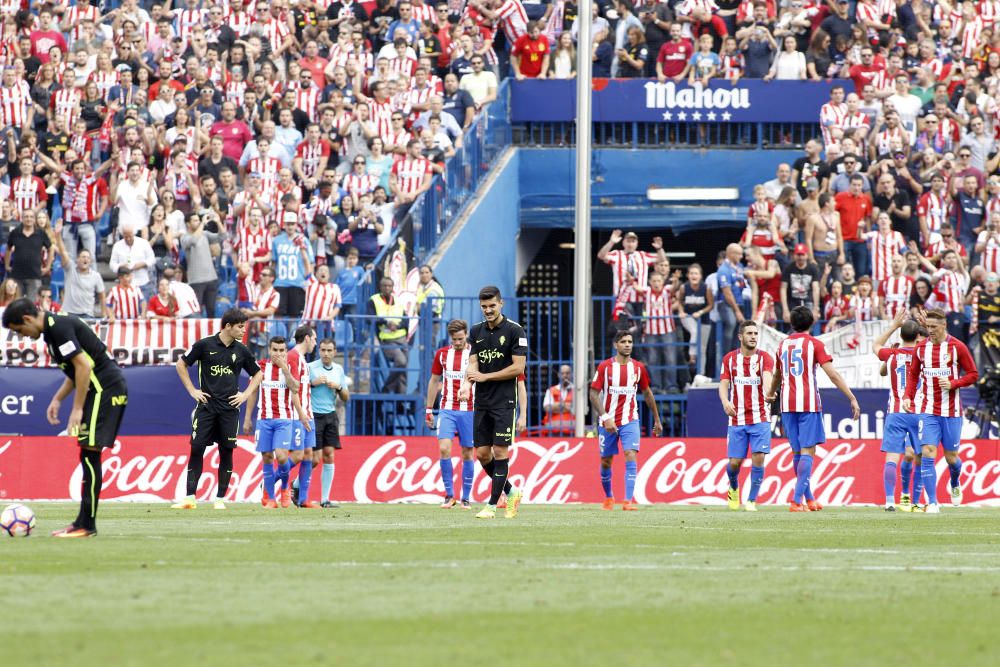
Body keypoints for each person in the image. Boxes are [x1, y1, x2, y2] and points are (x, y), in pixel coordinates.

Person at [3, 299, 128, 537]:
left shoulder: (58, 327)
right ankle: (82, 522)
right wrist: (58, 399)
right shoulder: (52, 331)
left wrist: (77, 408)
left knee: (91, 452)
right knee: (87, 452)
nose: (23, 337)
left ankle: (87, 525)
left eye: (20, 331)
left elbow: (84, 367)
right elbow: (75, 371)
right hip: (101, 388)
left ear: (28, 320)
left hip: (105, 388)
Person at [766, 306, 860, 512]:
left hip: (787, 405)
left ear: (792, 324)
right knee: (809, 451)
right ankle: (796, 500)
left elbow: (777, 375)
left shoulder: (782, 345)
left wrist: (770, 393)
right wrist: (851, 397)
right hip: (808, 403)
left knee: (797, 452)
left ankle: (809, 499)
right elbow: (833, 375)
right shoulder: (815, 344)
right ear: (812, 323)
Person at [172, 309, 263, 510]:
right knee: (197, 448)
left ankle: (220, 499)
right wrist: (192, 390)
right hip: (206, 407)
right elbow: (181, 364)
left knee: (226, 452)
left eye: (244, 326)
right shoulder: (205, 345)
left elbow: (258, 374)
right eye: (240, 326)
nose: (243, 330)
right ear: (228, 326)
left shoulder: (242, 350)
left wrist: (245, 395)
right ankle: (189, 498)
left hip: (230, 410)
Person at [902, 309, 979, 512]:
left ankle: (955, 482)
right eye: (928, 327)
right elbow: (913, 375)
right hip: (928, 410)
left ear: (944, 326)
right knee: (927, 452)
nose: (930, 331)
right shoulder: (921, 349)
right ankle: (933, 502)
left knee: (951, 458)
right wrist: (907, 396)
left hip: (952, 411)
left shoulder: (957, 347)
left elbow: (973, 374)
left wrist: (954, 383)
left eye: (934, 327)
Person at [460, 285, 526, 519]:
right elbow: (473, 363)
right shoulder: (476, 331)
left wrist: (485, 377)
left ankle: (491, 505)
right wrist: (468, 384)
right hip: (482, 401)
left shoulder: (515, 331)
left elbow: (518, 368)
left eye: (492, 305)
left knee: (499, 451)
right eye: (484, 307)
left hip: (504, 401)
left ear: (501, 304)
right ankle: (512, 491)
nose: (488, 310)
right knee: (482, 454)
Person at [590, 329, 663, 511]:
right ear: (616, 345)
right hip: (607, 422)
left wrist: (657, 419)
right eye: (623, 342)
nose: (628, 345)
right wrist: (605, 417)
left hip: (630, 420)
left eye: (630, 341)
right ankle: (608, 497)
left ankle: (628, 501)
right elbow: (593, 394)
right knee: (606, 461)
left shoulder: (638, 368)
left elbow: (647, 393)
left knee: (631, 454)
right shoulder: (604, 367)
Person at [243, 336, 309, 508]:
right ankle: (270, 498)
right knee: (266, 457)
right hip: (264, 418)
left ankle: (285, 489)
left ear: (286, 351)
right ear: (269, 350)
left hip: (284, 419)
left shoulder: (291, 366)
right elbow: (253, 392)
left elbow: (295, 388)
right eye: (275, 350)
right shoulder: (260, 366)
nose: (278, 354)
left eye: (281, 350)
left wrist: (285, 369)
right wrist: (247, 418)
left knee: (281, 457)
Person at [719, 319, 774, 512]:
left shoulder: (765, 358)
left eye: (755, 334)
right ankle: (733, 486)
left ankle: (751, 500)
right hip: (737, 418)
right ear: (740, 337)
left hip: (760, 417)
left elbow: (767, 377)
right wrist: (726, 402)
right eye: (749, 333)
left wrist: (769, 392)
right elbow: (724, 384)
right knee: (735, 463)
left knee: (758, 457)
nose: (753, 337)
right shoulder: (729, 359)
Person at [873, 309, 924, 512]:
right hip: (919, 411)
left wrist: (893, 325)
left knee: (892, 458)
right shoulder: (924, 353)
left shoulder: (892, 354)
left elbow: (875, 346)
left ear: (901, 335)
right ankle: (917, 501)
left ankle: (889, 501)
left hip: (895, 412)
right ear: (918, 335)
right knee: (921, 457)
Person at [425, 319, 477, 509]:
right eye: (454, 339)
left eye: (460, 339)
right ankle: (449, 495)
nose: (457, 342)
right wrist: (429, 409)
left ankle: (466, 498)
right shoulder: (442, 354)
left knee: (467, 453)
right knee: (445, 449)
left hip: (469, 410)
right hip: (447, 409)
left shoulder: (474, 354)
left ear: (467, 335)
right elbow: (433, 381)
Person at [308, 338, 350, 508]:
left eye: (329, 350)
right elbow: (297, 388)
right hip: (313, 415)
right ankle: (296, 485)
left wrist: (339, 387)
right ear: (319, 351)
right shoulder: (311, 367)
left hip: (330, 416)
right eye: (323, 350)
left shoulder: (338, 369)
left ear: (334, 352)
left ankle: (325, 499)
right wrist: (312, 383)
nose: (326, 353)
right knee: (315, 459)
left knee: (329, 455)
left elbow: (346, 397)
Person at [287, 325, 320, 508]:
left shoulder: (302, 360)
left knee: (310, 455)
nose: (315, 342)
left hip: (308, 413)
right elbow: (293, 390)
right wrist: (301, 415)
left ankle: (303, 499)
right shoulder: (292, 357)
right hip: (297, 415)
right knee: (299, 455)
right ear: (306, 338)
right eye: (314, 338)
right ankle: (269, 483)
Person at [368, 277, 409, 393]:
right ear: (380, 287)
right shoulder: (373, 300)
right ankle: (386, 389)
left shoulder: (398, 301)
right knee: (401, 362)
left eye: (389, 286)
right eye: (384, 286)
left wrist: (397, 326)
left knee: (403, 372)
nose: (387, 288)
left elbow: (406, 320)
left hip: (402, 338)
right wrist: (386, 322)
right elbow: (370, 318)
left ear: (392, 288)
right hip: (387, 340)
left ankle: (400, 401)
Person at [541, 364, 574, 436]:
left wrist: (555, 406)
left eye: (567, 373)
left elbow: (578, 409)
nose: (565, 375)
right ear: (558, 375)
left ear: (571, 374)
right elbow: (547, 408)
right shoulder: (551, 390)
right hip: (553, 431)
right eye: (562, 373)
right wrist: (566, 406)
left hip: (572, 431)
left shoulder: (576, 391)